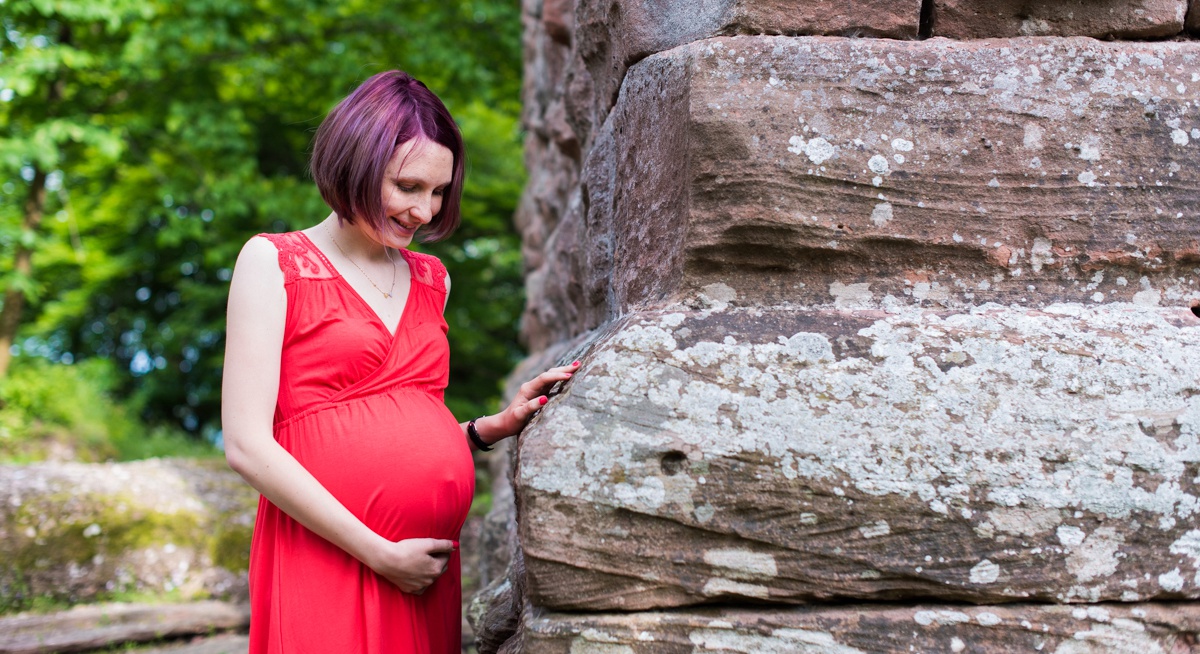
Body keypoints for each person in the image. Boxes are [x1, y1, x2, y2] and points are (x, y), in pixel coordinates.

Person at [221, 70, 577, 654]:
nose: (424, 211)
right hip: (330, 552)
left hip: (422, 569)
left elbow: (405, 413)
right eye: (408, 186)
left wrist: (488, 429)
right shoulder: (273, 262)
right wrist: (379, 553)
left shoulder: (432, 278)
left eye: (438, 192)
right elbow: (246, 445)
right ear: (352, 162)